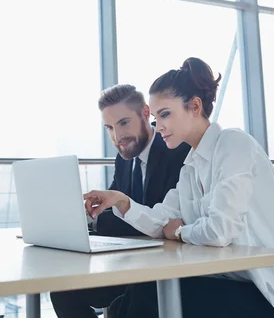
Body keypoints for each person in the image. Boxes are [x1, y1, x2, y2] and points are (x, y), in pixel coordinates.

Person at [84, 58, 274, 318]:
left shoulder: (234, 144)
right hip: (231, 282)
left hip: (273, 295)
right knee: (136, 297)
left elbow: (220, 230)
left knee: (145, 295)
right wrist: (121, 201)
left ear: (195, 106)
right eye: (156, 117)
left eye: (165, 114)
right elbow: (161, 219)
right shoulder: (191, 165)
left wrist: (179, 232)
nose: (159, 125)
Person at [50, 84, 190, 318]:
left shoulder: (175, 150)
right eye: (109, 128)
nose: (117, 137)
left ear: (146, 113)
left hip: (163, 268)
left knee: (123, 306)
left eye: (124, 123)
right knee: (63, 289)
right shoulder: (124, 159)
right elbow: (114, 209)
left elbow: (158, 220)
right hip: (129, 263)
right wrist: (84, 217)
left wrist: (99, 222)